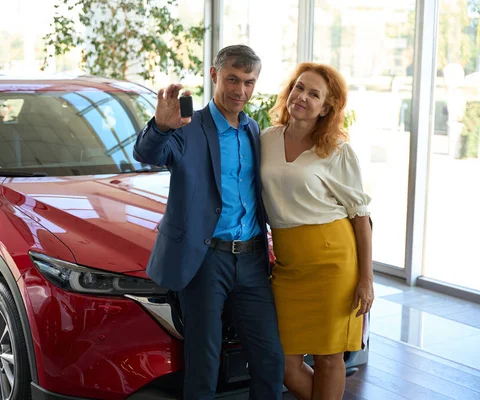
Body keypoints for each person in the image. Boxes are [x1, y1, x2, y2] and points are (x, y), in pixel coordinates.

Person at [133, 45, 284, 400]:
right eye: (232, 79)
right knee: (204, 362)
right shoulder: (188, 127)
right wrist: (159, 127)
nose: (240, 91)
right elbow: (147, 154)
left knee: (271, 358)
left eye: (249, 82)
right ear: (215, 75)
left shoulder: (253, 129)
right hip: (205, 260)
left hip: (250, 258)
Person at [260, 62, 374, 400]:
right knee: (282, 361)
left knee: (329, 357)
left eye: (314, 94)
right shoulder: (266, 139)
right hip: (288, 264)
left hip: (334, 263)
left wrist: (366, 278)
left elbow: (361, 218)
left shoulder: (337, 150)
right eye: (299, 87)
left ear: (326, 107)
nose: (302, 97)